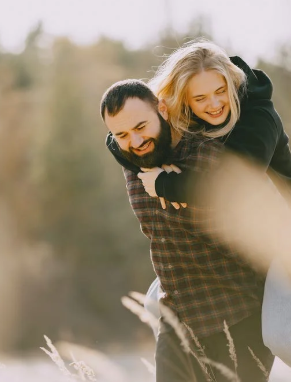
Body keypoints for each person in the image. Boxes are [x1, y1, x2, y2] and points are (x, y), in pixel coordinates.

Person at [104, 41, 291, 382]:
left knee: (283, 335)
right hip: (259, 234)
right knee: (154, 302)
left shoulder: (256, 119)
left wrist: (164, 185)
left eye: (220, 91)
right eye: (200, 98)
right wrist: (132, 151)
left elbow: (230, 184)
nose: (214, 104)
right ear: (181, 101)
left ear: (231, 84)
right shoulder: (187, 123)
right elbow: (132, 136)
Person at [101, 79, 276, 381]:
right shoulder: (133, 162)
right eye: (122, 135)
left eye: (141, 127)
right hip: (178, 318)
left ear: (163, 110)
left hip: (239, 315)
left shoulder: (206, 156)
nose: (135, 140)